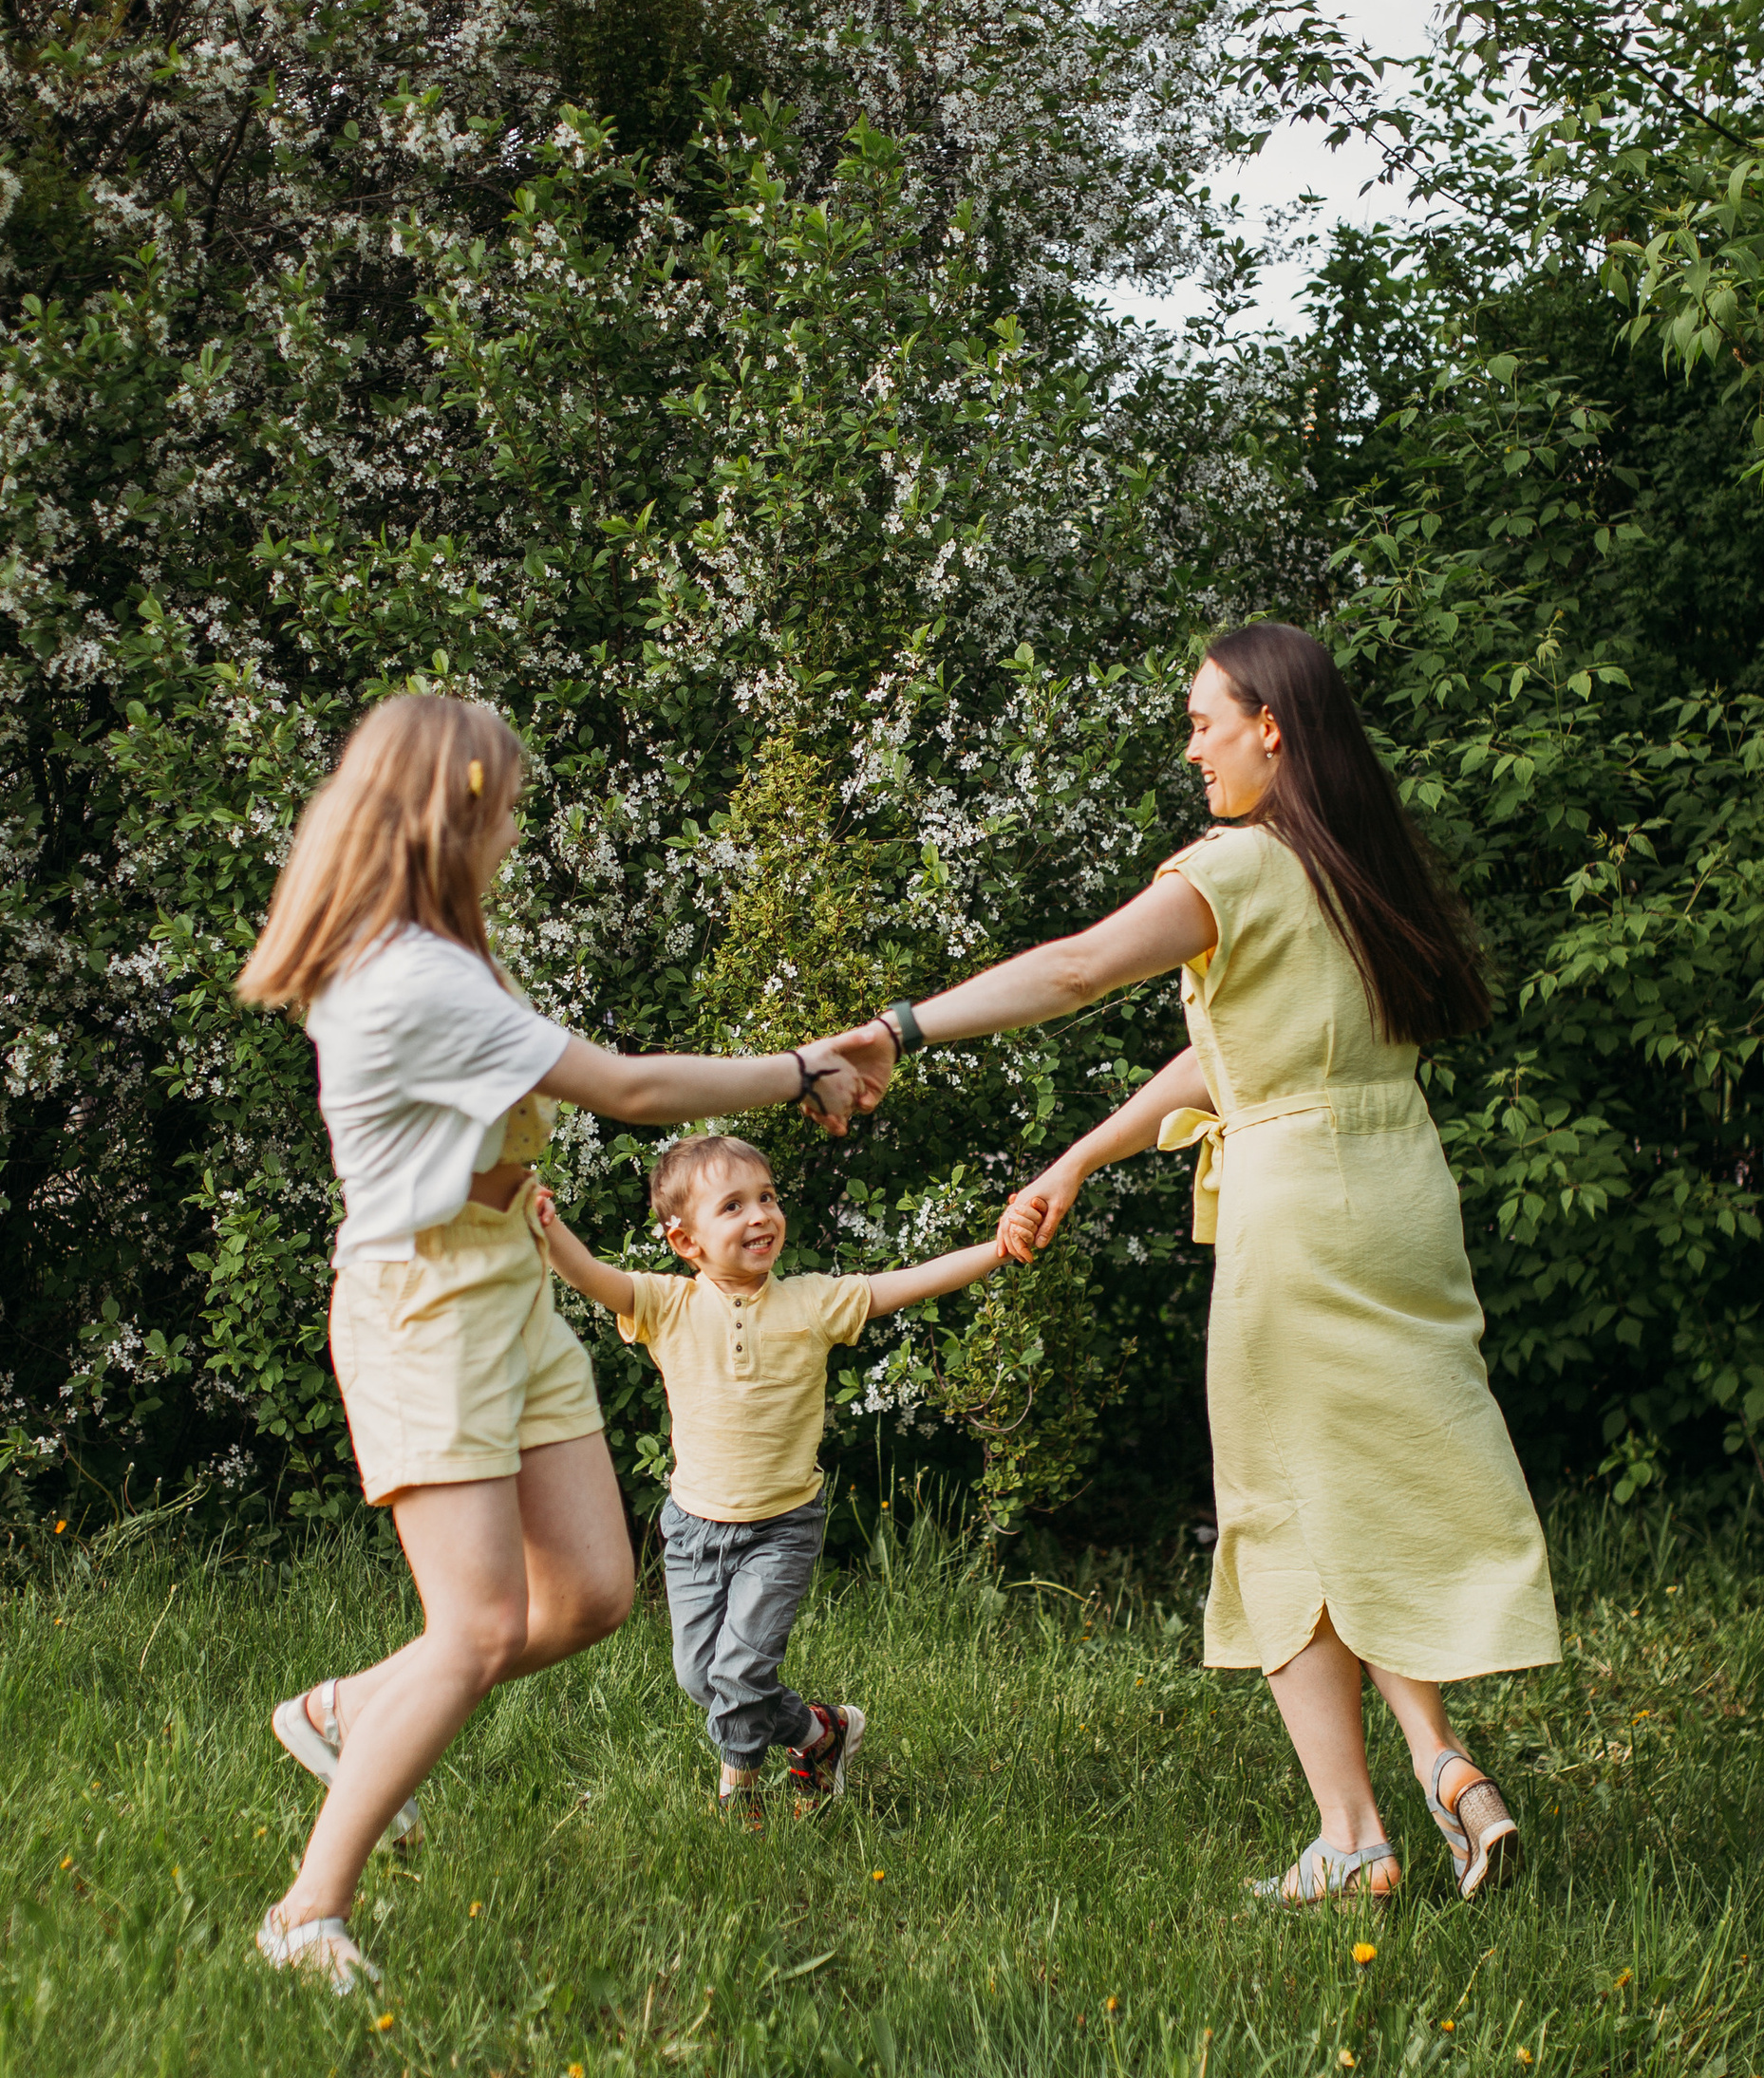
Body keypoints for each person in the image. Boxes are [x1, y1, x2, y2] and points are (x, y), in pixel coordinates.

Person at [830, 622, 1557, 1909]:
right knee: (1368, 1481)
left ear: (1271, 728)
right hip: (1395, 1187)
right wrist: (1081, 1157)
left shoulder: (1240, 863)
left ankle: (1351, 1836)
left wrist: (901, 1027)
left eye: (1205, 721)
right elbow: (1238, 1056)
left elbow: (1074, 969)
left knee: (1282, 1503)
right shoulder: (1356, 867)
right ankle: (1443, 1766)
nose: (1192, 746)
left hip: (1299, 1212)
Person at [234, 692, 865, 1991]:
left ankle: (350, 1710)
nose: (516, 827)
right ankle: (307, 1912)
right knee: (470, 1630)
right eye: (505, 805)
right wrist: (802, 1068)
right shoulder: (402, 976)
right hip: (425, 1313)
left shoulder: (441, 954)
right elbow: (629, 1092)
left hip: (504, 1287)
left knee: (587, 1593)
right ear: (448, 811)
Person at [537, 1134, 1003, 1827]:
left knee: (739, 1672)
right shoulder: (666, 1306)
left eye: (768, 1197)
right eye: (733, 1206)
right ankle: (820, 1734)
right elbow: (591, 1275)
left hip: (782, 1527)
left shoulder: (814, 1303)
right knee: (702, 1678)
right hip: (694, 1528)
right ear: (686, 1241)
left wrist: (998, 1248)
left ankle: (739, 1793)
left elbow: (908, 1283)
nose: (760, 1215)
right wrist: (542, 1225)